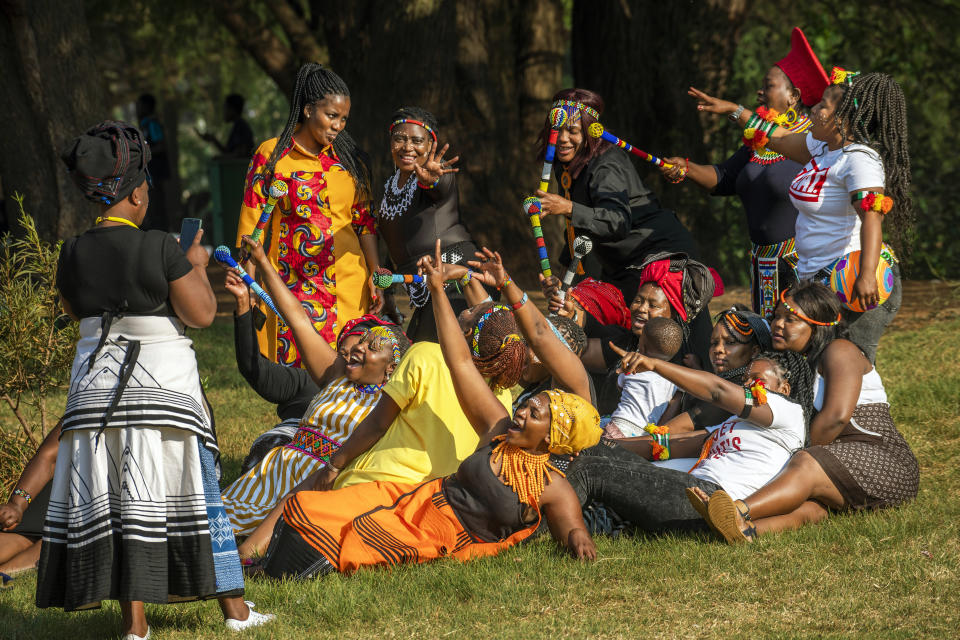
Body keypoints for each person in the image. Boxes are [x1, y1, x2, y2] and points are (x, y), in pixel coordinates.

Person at [40, 122, 273, 637]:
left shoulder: (71, 252)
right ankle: (236, 614)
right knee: (198, 493)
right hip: (163, 394)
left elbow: (74, 310)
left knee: (122, 503)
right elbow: (201, 313)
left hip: (96, 395)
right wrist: (191, 262)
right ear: (139, 192)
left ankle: (135, 626)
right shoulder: (158, 247)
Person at [260, 241, 603, 579]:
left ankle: (280, 567)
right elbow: (461, 363)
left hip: (442, 535)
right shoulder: (499, 424)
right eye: (528, 405)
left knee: (346, 541)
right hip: (418, 503)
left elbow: (572, 526)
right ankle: (267, 563)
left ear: (552, 438)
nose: (523, 412)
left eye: (535, 414)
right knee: (305, 511)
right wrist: (440, 291)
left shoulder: (552, 485)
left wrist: (578, 538)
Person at [690, 69, 912, 363]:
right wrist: (735, 110)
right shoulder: (821, 148)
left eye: (823, 105)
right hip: (817, 281)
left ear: (842, 118)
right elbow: (777, 137)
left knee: (846, 362)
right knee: (815, 364)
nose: (815, 109)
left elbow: (872, 217)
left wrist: (867, 274)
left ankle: (866, 410)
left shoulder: (860, 159)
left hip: (851, 280)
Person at [689, 281, 918, 543]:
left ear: (817, 325)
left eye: (790, 319)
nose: (778, 324)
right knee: (813, 508)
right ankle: (744, 530)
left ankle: (738, 509)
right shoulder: (798, 368)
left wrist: (792, 455)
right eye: (776, 316)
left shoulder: (840, 350)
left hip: (883, 463)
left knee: (805, 465)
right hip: (839, 463)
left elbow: (837, 417)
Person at [222, 236, 409, 557]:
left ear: (391, 368)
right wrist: (263, 263)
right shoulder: (336, 374)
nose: (358, 348)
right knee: (212, 523)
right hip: (279, 468)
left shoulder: (391, 402)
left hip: (317, 483)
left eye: (371, 346)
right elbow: (297, 317)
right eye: (358, 341)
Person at [659, 27, 830, 320]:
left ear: (794, 96)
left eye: (768, 86)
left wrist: (734, 110)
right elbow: (724, 177)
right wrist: (686, 168)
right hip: (762, 264)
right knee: (769, 339)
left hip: (802, 262)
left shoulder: (812, 141)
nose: (760, 92)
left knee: (803, 335)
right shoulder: (757, 142)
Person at [533, 88, 713, 362]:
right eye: (558, 130)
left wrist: (567, 207)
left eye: (573, 131)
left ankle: (701, 393)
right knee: (623, 336)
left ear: (589, 132)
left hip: (662, 257)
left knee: (677, 343)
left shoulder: (606, 164)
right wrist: (565, 278)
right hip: (623, 265)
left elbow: (616, 221)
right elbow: (579, 231)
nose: (564, 139)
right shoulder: (566, 164)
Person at [565, 348, 813, 534]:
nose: (747, 385)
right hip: (685, 490)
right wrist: (603, 446)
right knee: (589, 451)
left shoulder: (789, 412)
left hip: (710, 501)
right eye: (745, 379)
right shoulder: (732, 424)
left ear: (784, 389)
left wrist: (655, 365)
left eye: (756, 379)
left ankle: (537, 523)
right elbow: (670, 444)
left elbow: (718, 390)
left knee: (590, 470)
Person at [237, 63, 381, 366]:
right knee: (300, 379)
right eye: (331, 116)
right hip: (292, 286)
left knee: (352, 372)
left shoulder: (350, 160)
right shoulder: (272, 155)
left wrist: (375, 274)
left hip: (349, 288)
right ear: (307, 110)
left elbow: (364, 222)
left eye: (343, 119)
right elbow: (252, 228)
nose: (338, 126)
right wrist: (248, 287)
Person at [376, 106, 486, 341]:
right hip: (424, 283)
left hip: (457, 274)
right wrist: (387, 291)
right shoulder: (390, 185)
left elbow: (440, 185)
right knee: (419, 350)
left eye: (417, 141)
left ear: (430, 146)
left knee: (431, 353)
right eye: (399, 139)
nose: (407, 147)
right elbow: (394, 242)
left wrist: (431, 180)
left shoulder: (438, 171)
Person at [579, 252, 718, 414]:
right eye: (638, 300)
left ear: (674, 315)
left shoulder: (688, 366)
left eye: (653, 305)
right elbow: (579, 353)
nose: (641, 309)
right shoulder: (629, 343)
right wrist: (573, 316)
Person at [660, 305, 773, 432]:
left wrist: (655, 365)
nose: (717, 350)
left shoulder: (742, 389)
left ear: (754, 351)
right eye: (713, 343)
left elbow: (666, 432)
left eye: (730, 342)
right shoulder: (724, 380)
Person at [603, 317, 683, 439]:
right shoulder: (674, 378)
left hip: (620, 423)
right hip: (644, 434)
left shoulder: (633, 367)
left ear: (642, 347)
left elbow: (619, 386)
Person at [136, 93, 171, 232]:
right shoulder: (145, 123)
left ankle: (160, 233)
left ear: (145, 107)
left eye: (139, 105)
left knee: (156, 204)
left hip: (155, 171)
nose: (137, 108)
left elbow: (161, 145)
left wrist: (143, 153)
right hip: (150, 172)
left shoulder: (152, 124)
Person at [196, 93, 255, 158]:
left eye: (225, 108)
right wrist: (213, 140)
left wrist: (221, 158)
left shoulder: (241, 127)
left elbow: (240, 155)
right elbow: (228, 152)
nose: (223, 112)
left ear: (232, 109)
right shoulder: (237, 126)